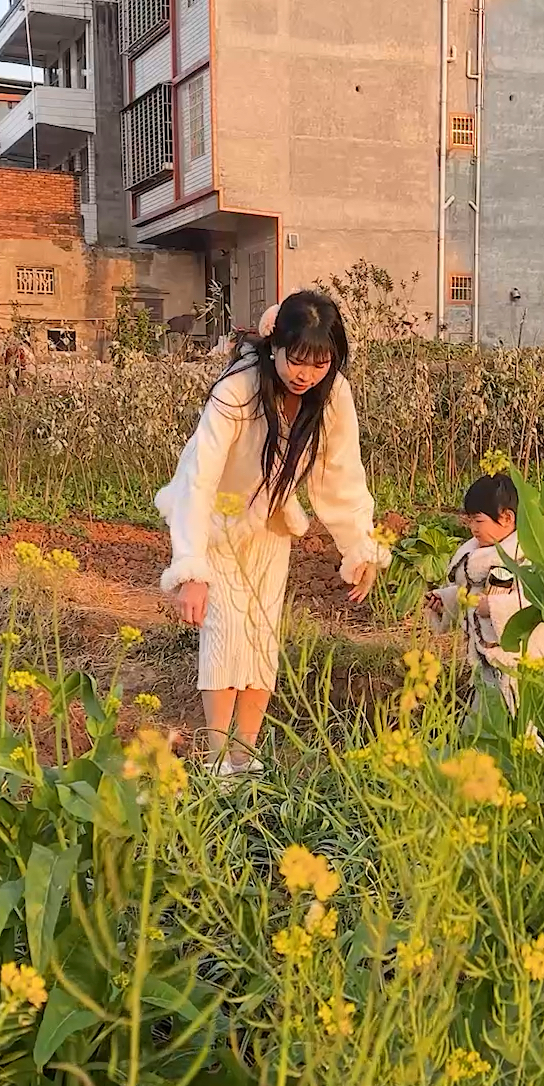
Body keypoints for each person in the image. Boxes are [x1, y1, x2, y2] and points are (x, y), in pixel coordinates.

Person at [155, 290, 392, 774]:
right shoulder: (237, 389)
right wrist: (190, 567)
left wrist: (359, 547)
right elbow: (199, 478)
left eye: (320, 363)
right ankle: (221, 764)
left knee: (260, 635)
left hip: (270, 520)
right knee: (224, 634)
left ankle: (246, 756)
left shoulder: (333, 395)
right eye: (296, 360)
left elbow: (341, 474)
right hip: (214, 520)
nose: (304, 374)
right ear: (275, 347)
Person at [426, 472, 544, 719]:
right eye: (470, 521)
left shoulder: (527, 556)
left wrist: (493, 607)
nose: (472, 529)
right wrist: (447, 601)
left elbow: (535, 603)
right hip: (485, 662)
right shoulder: (481, 554)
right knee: (483, 723)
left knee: (520, 723)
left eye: (478, 521)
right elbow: (472, 595)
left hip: (519, 664)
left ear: (506, 518)